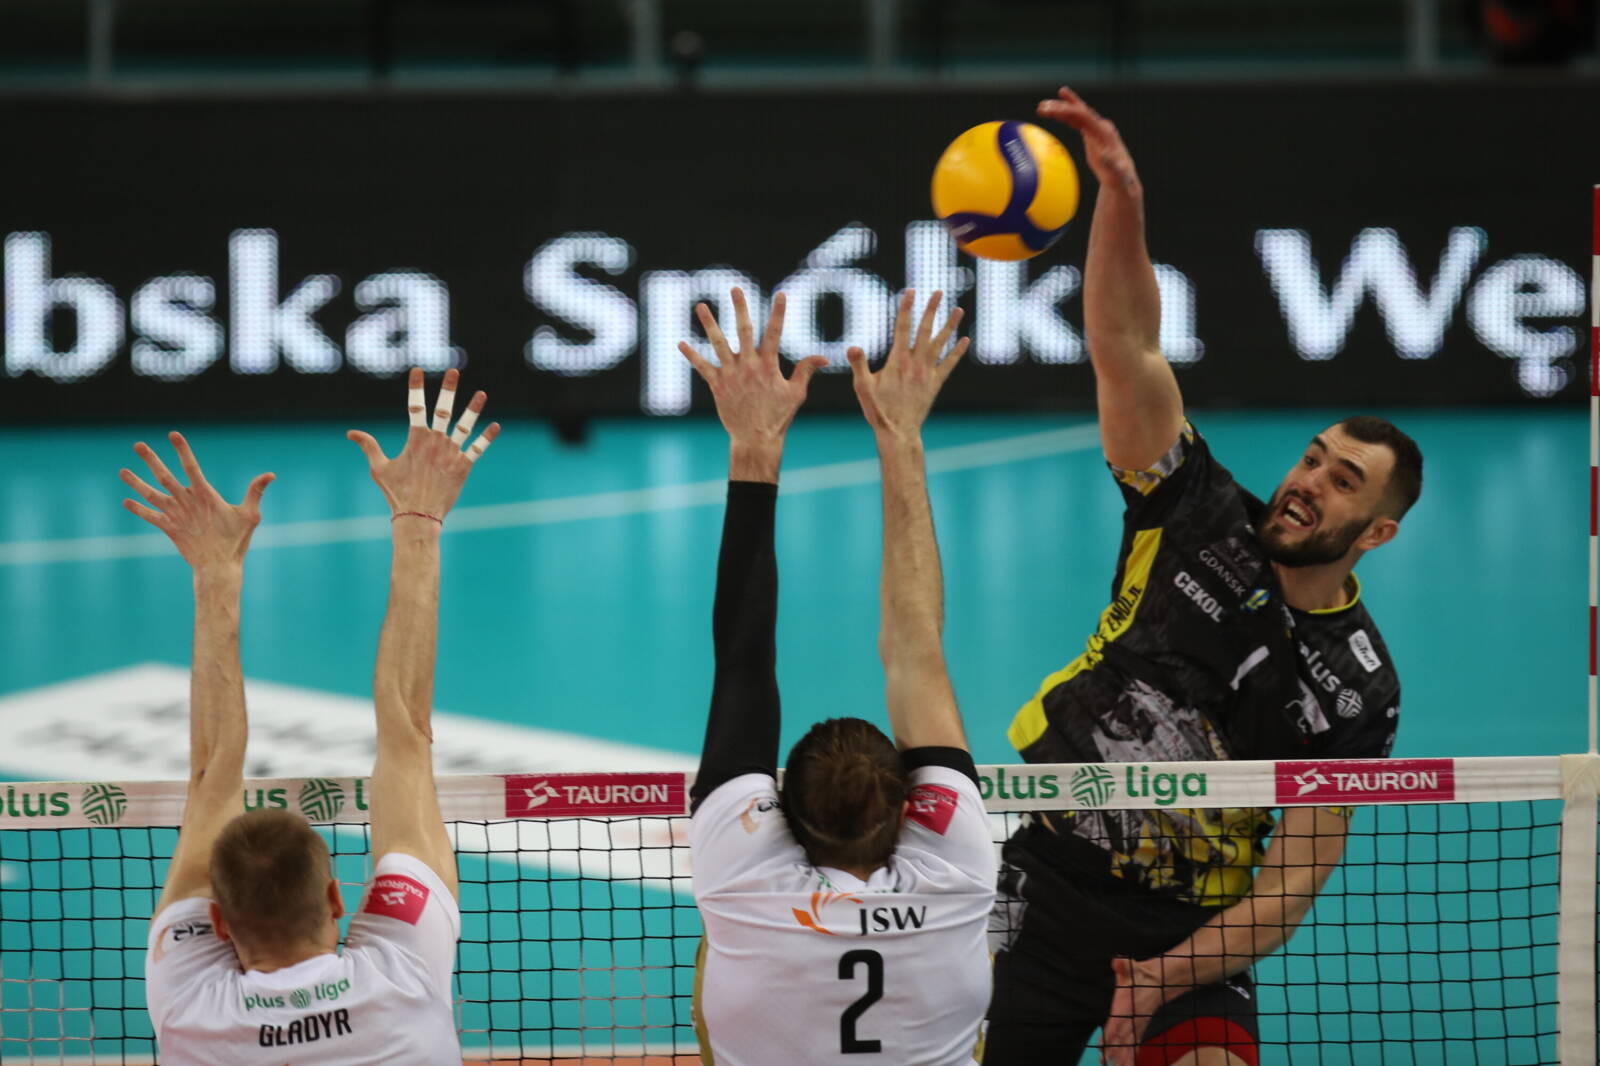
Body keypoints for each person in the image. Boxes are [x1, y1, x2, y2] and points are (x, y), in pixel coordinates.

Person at [983, 89, 1424, 1066]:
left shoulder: (1360, 687)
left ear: (1378, 532)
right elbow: (1126, 346)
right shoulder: (1192, 507)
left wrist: (1162, 976)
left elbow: (1294, 881)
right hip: (1046, 880)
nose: (1307, 482)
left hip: (1188, 930)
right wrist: (1121, 195)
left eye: (1342, 481)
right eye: (1312, 457)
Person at [135, 368, 499, 1064]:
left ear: (218, 922)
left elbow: (211, 775)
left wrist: (215, 574)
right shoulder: (405, 973)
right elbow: (407, 733)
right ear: (337, 897)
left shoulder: (186, 1004)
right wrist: (418, 520)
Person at [682, 286, 997, 1065]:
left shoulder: (748, 879)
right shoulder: (956, 873)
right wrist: (902, 437)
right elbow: (915, 646)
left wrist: (754, 446)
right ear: (907, 809)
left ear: (782, 815)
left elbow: (744, 657)